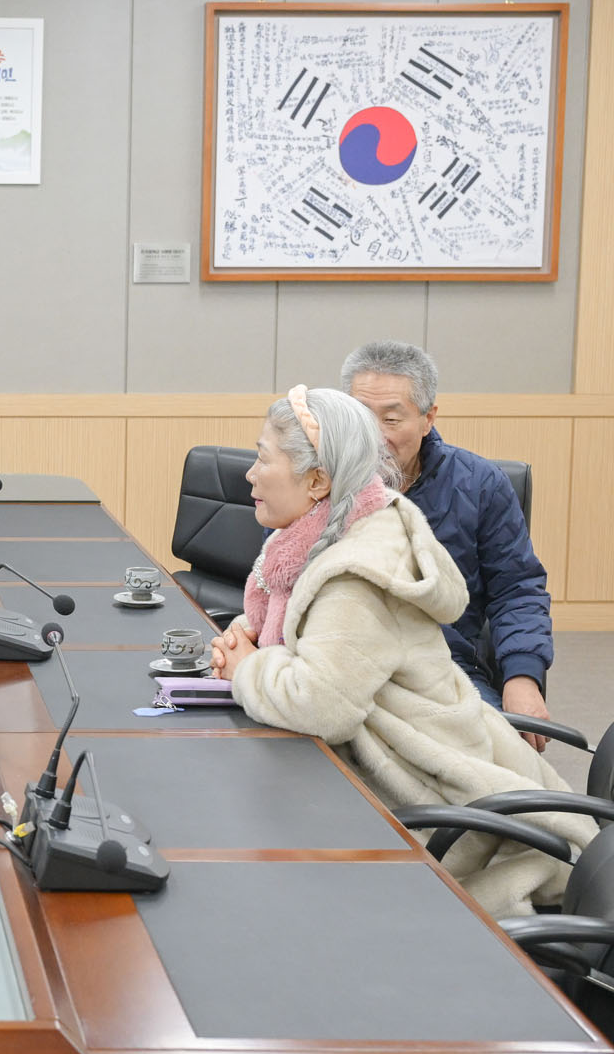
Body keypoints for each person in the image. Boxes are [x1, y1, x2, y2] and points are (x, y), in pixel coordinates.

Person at [210, 386, 592, 916]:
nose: (250, 475)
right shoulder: (331, 528)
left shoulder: (355, 574)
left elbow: (321, 706)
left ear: (318, 481)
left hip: (428, 804)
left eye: (262, 458)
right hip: (408, 767)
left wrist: (249, 669)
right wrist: (247, 640)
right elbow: (297, 632)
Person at [340, 340, 554, 749]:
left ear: (428, 419)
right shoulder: (317, 482)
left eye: (391, 419)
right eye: (361, 417)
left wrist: (523, 677)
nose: (375, 437)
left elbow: (517, 589)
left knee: (492, 760)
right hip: (340, 665)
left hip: (444, 669)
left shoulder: (480, 485)